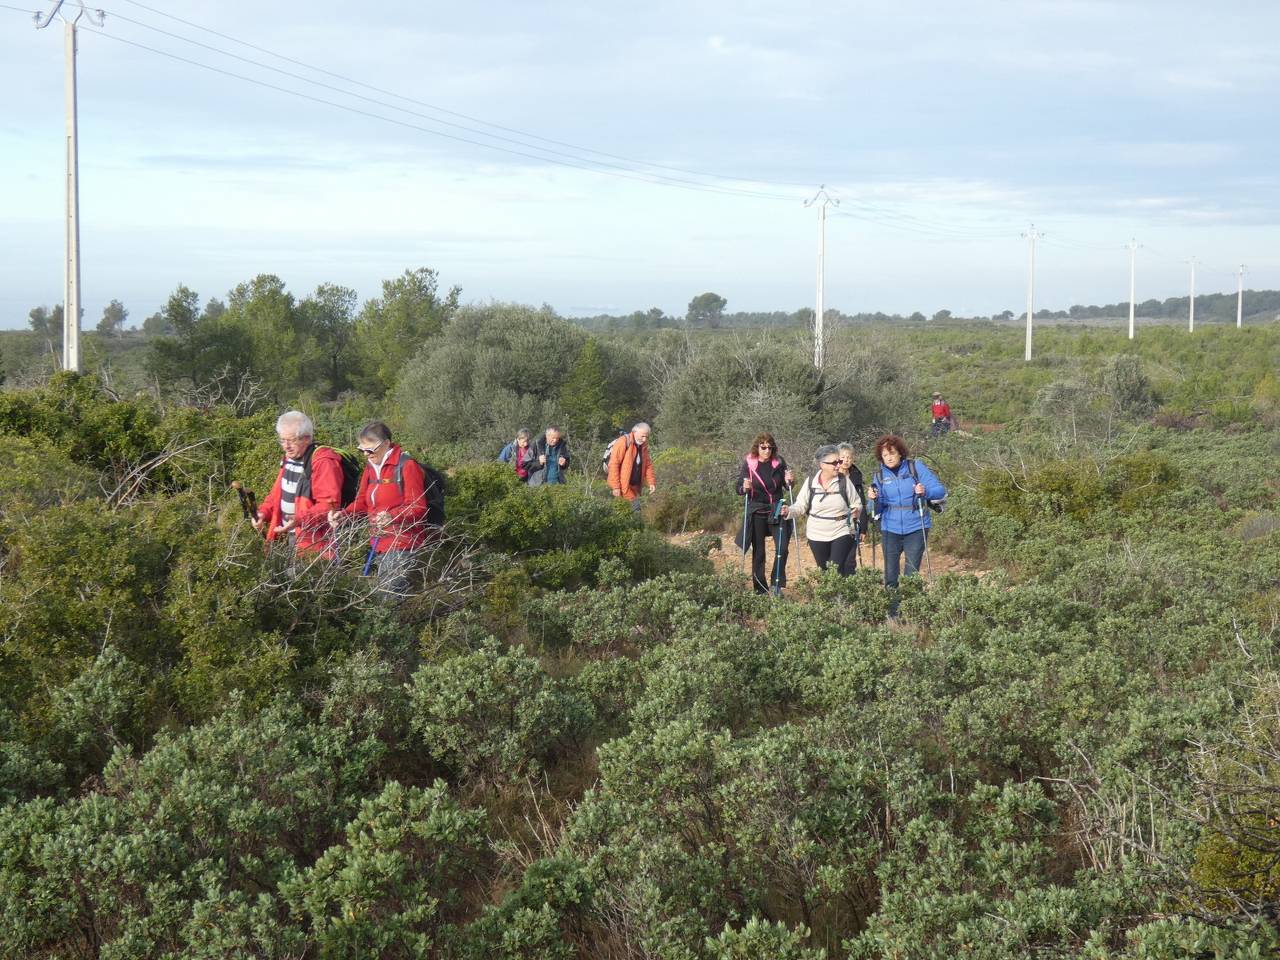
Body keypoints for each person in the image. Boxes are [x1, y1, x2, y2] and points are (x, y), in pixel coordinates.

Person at [328, 421, 433, 595]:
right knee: (372, 596)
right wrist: (344, 515)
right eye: (362, 450)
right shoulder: (370, 468)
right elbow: (362, 502)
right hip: (377, 542)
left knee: (387, 596)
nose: (366, 455)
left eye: (370, 450)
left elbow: (418, 507)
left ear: (385, 444)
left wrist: (392, 516)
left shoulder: (407, 466)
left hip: (403, 542)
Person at [866, 435, 947, 617]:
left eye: (892, 453)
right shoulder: (878, 476)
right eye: (884, 454)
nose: (889, 457)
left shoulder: (915, 467)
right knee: (890, 574)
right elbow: (872, 509)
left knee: (911, 571)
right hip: (889, 527)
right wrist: (872, 499)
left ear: (900, 453)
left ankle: (912, 611)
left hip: (916, 526)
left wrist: (925, 491)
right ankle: (893, 613)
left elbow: (940, 490)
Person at [254, 410, 345, 559]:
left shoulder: (324, 462)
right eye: (282, 440)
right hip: (284, 537)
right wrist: (263, 513)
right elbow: (275, 496)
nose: (286, 446)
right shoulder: (289, 459)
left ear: (307, 438)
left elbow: (330, 505)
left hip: (313, 543)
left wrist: (298, 520)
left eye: (292, 440)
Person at [735, 433, 794, 595]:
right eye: (763, 447)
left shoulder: (779, 462)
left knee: (783, 547)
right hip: (757, 511)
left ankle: (776, 585)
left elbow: (786, 485)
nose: (767, 450)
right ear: (757, 448)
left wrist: (790, 481)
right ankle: (760, 589)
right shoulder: (749, 464)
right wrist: (745, 487)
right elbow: (739, 488)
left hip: (776, 509)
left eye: (770, 447)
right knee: (759, 552)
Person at [791, 444, 862, 576]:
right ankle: (829, 596)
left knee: (835, 569)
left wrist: (856, 511)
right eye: (834, 462)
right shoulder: (811, 482)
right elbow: (800, 506)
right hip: (816, 532)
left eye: (839, 461)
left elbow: (856, 503)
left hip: (842, 530)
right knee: (824, 570)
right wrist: (788, 511)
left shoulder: (844, 481)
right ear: (821, 464)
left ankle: (839, 597)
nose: (838, 465)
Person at [607, 421, 656, 512]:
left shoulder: (643, 446)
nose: (645, 439)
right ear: (635, 432)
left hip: (634, 486)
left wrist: (651, 482)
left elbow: (648, 465)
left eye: (646, 436)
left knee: (624, 511)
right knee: (635, 508)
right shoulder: (623, 442)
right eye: (642, 436)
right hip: (622, 486)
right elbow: (613, 464)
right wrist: (616, 487)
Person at [836, 442, 869, 572]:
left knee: (850, 559)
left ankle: (849, 588)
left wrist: (863, 528)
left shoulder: (856, 476)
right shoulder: (830, 475)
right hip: (834, 522)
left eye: (849, 457)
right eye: (843, 457)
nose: (846, 460)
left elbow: (862, 503)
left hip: (852, 522)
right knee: (836, 559)